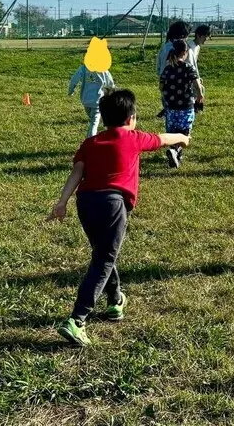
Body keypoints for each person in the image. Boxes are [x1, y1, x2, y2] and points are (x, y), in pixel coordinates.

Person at [48, 89, 190, 345]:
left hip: (86, 202)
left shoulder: (90, 143)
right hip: (113, 204)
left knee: (102, 253)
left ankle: (115, 301)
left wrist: (62, 202)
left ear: (103, 118)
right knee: (103, 259)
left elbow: (77, 173)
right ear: (131, 118)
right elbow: (163, 138)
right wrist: (182, 137)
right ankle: (77, 320)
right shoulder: (133, 137)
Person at [160, 39, 204, 168]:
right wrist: (200, 95)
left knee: (172, 131)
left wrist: (167, 95)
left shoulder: (168, 68)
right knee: (185, 131)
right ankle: (176, 151)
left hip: (171, 105)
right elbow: (196, 84)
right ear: (185, 52)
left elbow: (161, 86)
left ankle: (175, 152)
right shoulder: (188, 68)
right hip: (186, 105)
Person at [156, 20, 192, 118]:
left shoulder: (164, 47)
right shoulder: (185, 48)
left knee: (169, 107)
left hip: (166, 85)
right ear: (184, 35)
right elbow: (191, 66)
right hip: (183, 89)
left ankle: (168, 115)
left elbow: (158, 67)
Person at [68, 64, 115, 137]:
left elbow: (74, 79)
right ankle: (91, 140)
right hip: (98, 101)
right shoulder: (103, 69)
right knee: (94, 122)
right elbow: (110, 84)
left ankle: (102, 124)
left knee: (93, 120)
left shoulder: (83, 68)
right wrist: (112, 94)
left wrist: (70, 90)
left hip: (86, 100)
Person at [188, 25, 211, 112]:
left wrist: (198, 76)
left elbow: (195, 63)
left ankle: (197, 108)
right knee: (198, 89)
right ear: (198, 35)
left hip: (192, 73)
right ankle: (195, 108)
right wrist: (195, 77)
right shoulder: (190, 46)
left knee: (201, 88)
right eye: (205, 37)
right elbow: (190, 64)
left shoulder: (197, 47)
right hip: (187, 74)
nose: (206, 39)